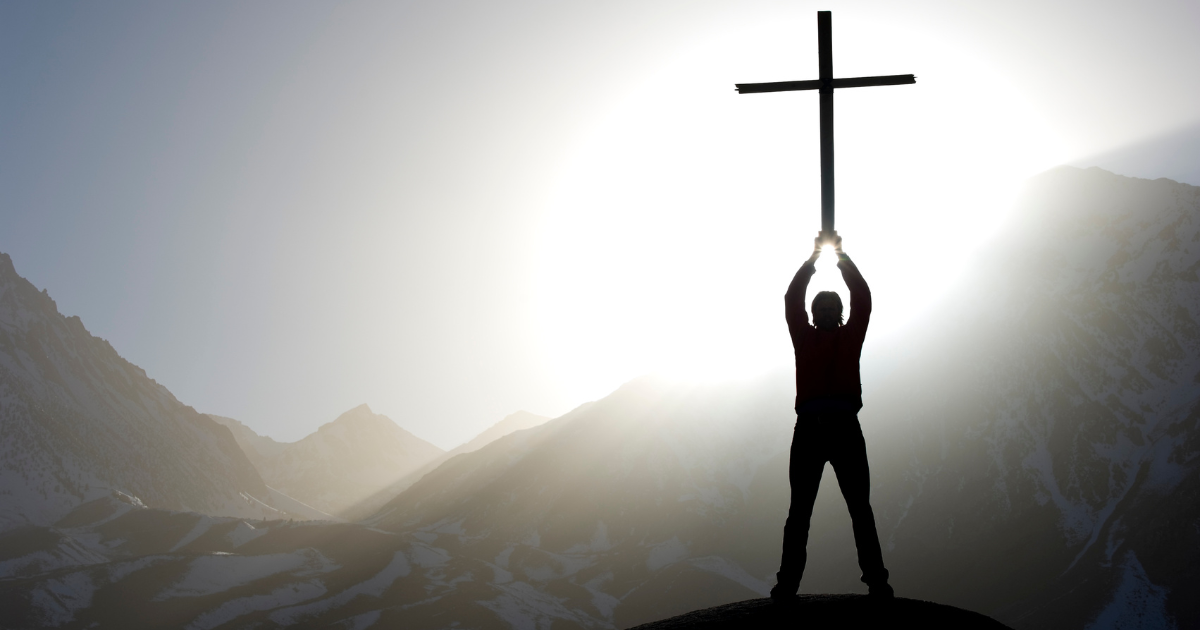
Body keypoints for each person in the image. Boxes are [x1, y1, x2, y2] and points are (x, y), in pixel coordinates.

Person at [771, 232, 893, 601]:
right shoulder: (803, 338)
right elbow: (792, 299)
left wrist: (840, 257)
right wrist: (811, 261)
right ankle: (787, 585)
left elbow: (863, 298)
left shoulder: (851, 336)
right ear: (813, 315)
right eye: (820, 309)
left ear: (838, 314)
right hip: (809, 431)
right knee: (800, 512)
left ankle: (877, 581)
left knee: (860, 508)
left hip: (843, 430)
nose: (825, 313)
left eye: (830, 309)